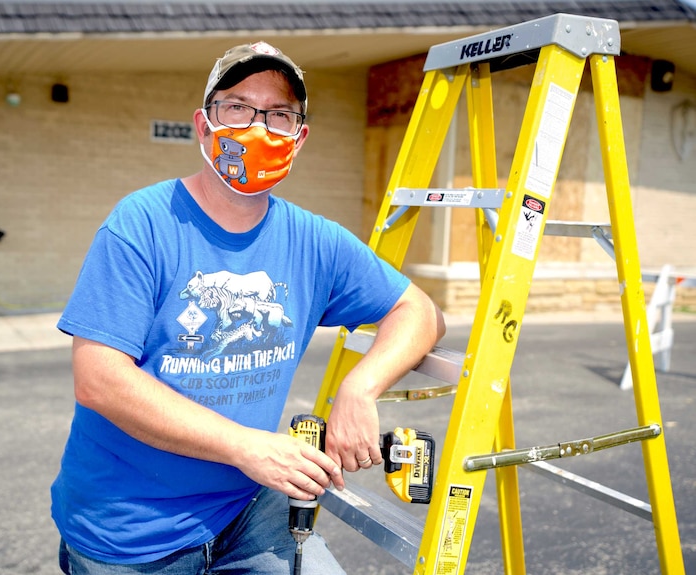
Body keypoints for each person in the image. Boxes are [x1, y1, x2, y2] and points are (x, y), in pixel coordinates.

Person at [52, 40, 446, 574]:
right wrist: (246, 447)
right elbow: (99, 378)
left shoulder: (314, 241)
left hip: (247, 505)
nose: (257, 127)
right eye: (237, 107)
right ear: (204, 124)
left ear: (299, 138)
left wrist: (360, 386)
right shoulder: (141, 224)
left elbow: (418, 311)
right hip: (132, 532)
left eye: (278, 115)